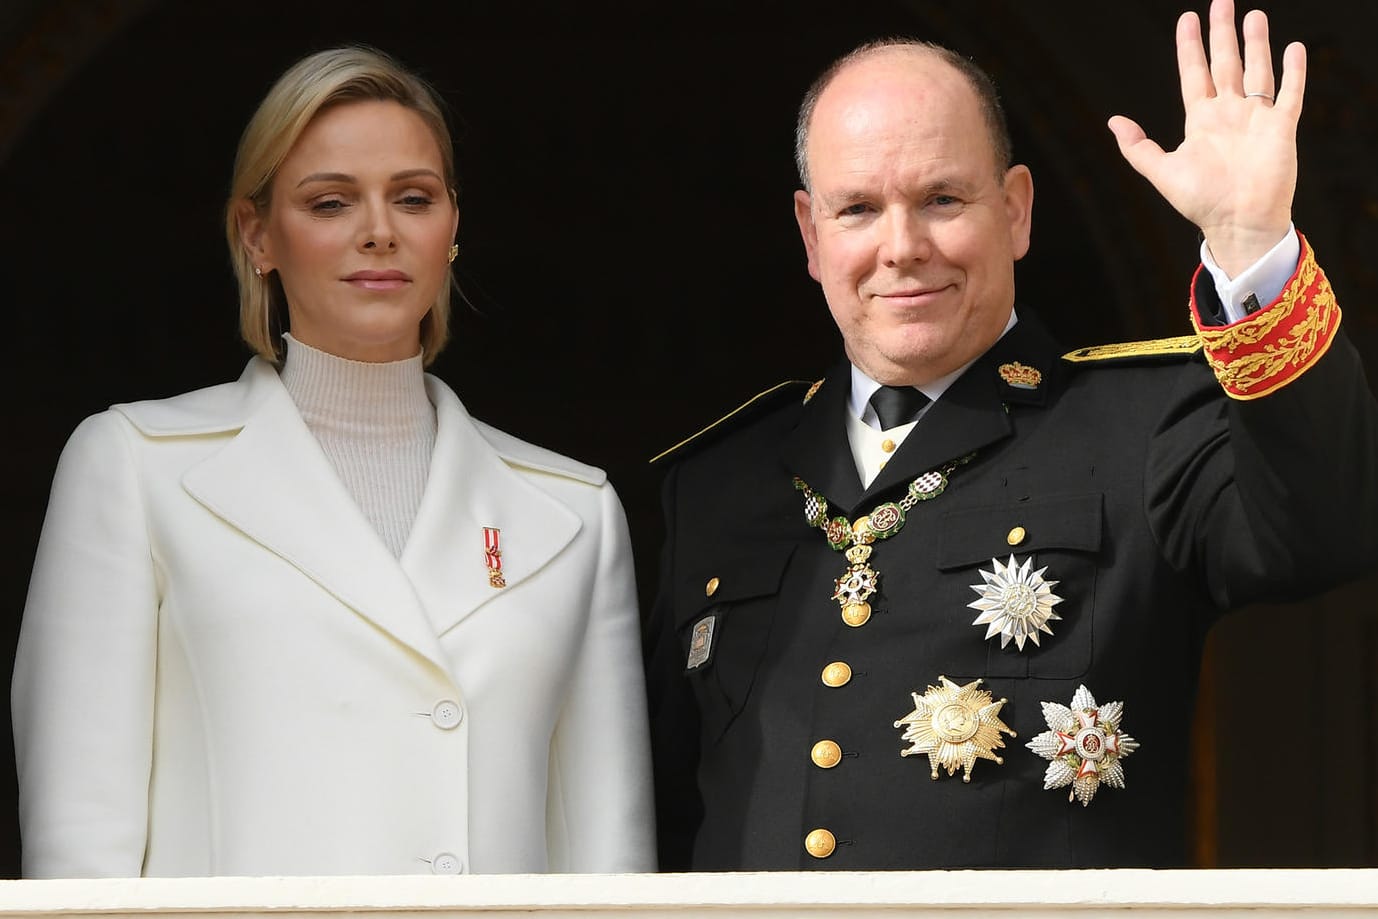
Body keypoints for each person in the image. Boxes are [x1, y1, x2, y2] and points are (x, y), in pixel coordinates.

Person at [645, 0, 1378, 871]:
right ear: (810, 234)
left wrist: (1250, 244)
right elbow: (657, 809)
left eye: (942, 198)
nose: (902, 246)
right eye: (857, 211)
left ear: (1017, 210)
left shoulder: (1142, 426)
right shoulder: (719, 483)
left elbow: (1325, 528)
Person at [12, 46, 654, 878]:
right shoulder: (136, 468)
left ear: (452, 227)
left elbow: (610, 862)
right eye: (331, 201)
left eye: (413, 198)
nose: (378, 230)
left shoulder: (573, 513)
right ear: (258, 234)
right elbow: (78, 850)